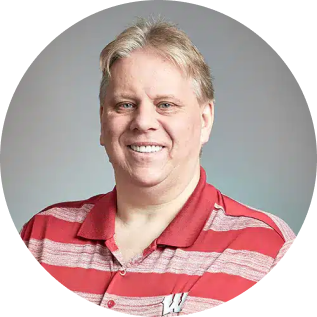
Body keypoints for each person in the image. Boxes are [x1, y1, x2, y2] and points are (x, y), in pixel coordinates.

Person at [19, 16, 296, 315]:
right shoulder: (42, 237)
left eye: (165, 104)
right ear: (103, 121)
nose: (143, 122)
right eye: (125, 104)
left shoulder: (266, 247)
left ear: (204, 121)